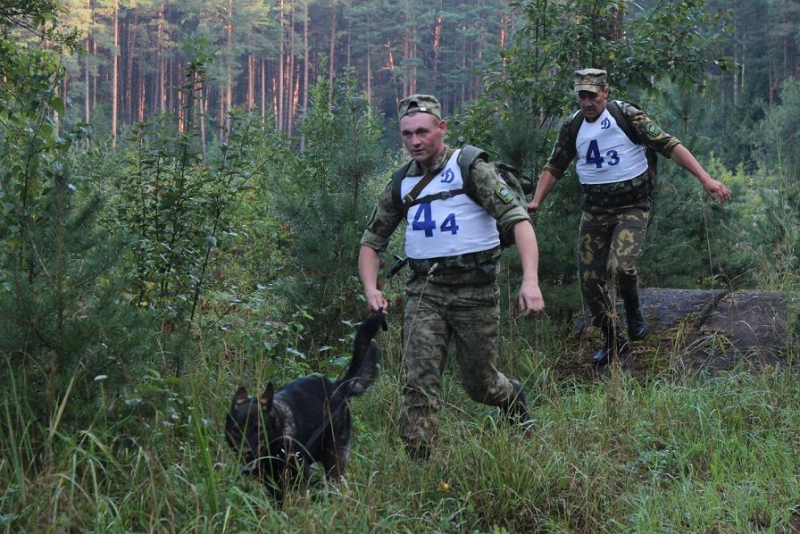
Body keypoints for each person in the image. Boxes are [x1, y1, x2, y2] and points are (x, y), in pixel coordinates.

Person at [358, 94, 545, 459]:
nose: (415, 141)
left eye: (423, 132)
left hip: (475, 293)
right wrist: (371, 288)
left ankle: (512, 396)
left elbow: (518, 221)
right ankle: (420, 464)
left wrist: (530, 280)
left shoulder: (470, 167)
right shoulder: (401, 182)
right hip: (424, 293)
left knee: (481, 386)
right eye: (407, 134)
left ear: (441, 129)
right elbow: (371, 241)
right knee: (419, 382)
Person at [528, 68, 732, 366]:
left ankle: (634, 310)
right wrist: (536, 201)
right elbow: (554, 165)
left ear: (605, 93)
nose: (586, 102)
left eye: (592, 95)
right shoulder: (572, 127)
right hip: (595, 209)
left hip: (632, 205)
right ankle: (613, 339)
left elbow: (669, 145)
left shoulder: (626, 116)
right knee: (588, 279)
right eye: (581, 96)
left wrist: (706, 178)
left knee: (621, 267)